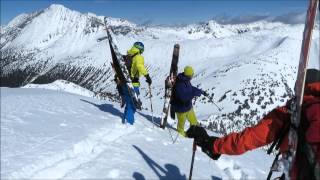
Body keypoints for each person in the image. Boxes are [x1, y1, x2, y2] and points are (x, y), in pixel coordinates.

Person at [186, 68, 320, 179]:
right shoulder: (296, 112)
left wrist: (212, 144)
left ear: (302, 86)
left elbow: (249, 138)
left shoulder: (289, 113)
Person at [171, 66, 207, 137]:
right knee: (181, 125)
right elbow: (183, 98)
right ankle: (181, 135)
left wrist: (200, 91)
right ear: (189, 75)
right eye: (192, 74)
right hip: (180, 109)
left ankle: (194, 132)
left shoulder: (186, 80)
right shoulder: (179, 84)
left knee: (194, 121)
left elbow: (191, 89)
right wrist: (194, 93)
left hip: (188, 107)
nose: (193, 75)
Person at [122, 42, 152, 125]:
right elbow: (140, 66)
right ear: (141, 49)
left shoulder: (129, 55)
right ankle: (129, 123)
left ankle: (124, 121)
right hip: (133, 84)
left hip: (125, 82)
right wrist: (147, 76)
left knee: (129, 102)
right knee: (132, 104)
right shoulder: (138, 57)